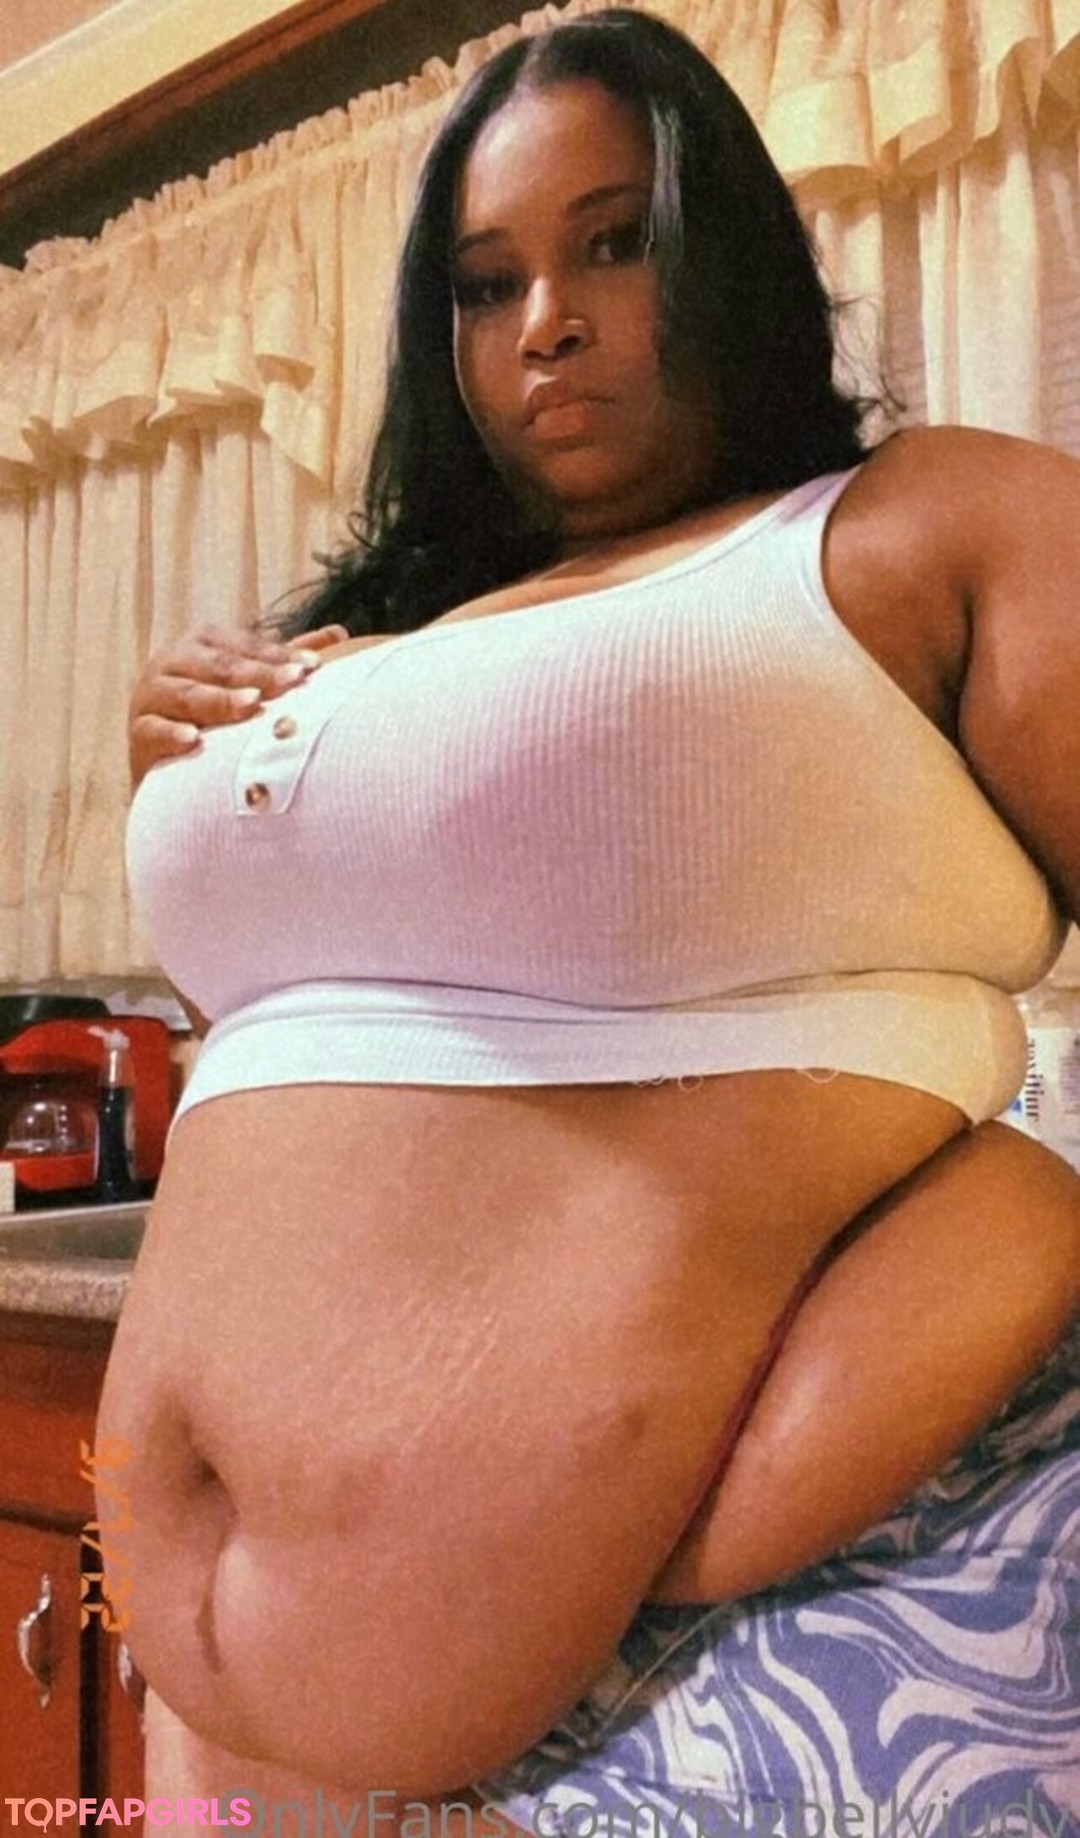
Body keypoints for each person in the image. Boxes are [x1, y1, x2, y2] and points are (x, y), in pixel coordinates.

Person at [106, 9, 1080, 1830]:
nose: (544, 322)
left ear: (731, 255)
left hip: (635, 1714)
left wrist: (723, 1486)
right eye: (486, 285)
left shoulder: (907, 525)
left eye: (615, 243)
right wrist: (199, 747)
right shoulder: (407, 625)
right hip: (225, 1739)